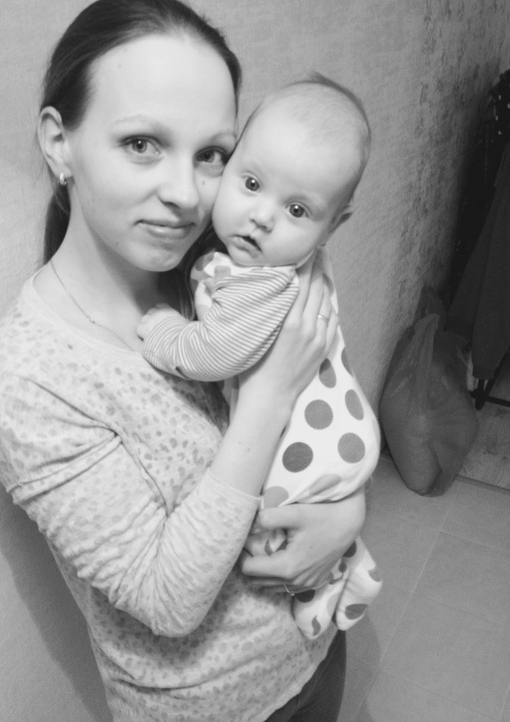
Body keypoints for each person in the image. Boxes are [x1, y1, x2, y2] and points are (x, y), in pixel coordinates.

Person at [0, 0, 367, 722]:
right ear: (59, 143)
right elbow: (168, 598)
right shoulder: (24, 376)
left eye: (211, 154)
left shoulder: (223, 267)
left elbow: (324, 405)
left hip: (315, 650)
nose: (186, 195)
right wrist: (269, 396)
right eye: (142, 144)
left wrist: (347, 508)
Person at [138, 77, 382, 640]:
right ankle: (353, 566)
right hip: (340, 431)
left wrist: (164, 329)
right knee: (311, 520)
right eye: (250, 183)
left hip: (310, 445)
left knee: (263, 534)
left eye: (297, 209)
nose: (262, 217)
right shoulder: (297, 261)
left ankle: (322, 587)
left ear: (332, 226)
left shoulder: (259, 281)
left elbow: (214, 352)